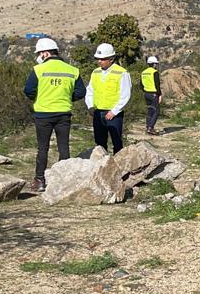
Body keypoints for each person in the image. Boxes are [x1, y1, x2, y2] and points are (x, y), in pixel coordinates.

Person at [22, 37, 85, 193]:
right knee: (64, 147)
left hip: (43, 114)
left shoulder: (38, 70)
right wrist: (66, 98)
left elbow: (28, 90)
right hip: (64, 113)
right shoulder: (72, 70)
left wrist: (39, 97)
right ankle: (65, 180)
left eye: (39, 53)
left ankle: (39, 181)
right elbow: (81, 92)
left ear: (45, 53)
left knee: (43, 148)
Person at [85, 43, 131, 153]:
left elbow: (125, 94)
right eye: (98, 59)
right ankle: (102, 165)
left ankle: (119, 165)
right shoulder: (95, 72)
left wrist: (114, 111)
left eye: (103, 59)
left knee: (117, 142)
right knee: (100, 143)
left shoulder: (121, 73)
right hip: (98, 112)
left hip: (113, 114)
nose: (99, 61)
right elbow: (90, 90)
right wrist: (90, 106)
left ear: (111, 59)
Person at [140, 55, 161, 135]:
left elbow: (141, 85)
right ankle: (150, 128)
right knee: (156, 111)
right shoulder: (154, 72)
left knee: (149, 111)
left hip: (146, 93)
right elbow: (157, 85)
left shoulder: (143, 72)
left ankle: (148, 126)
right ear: (154, 64)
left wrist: (145, 91)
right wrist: (159, 95)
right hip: (153, 94)